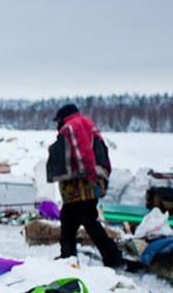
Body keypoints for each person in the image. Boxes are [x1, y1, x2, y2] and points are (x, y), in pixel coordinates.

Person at [50, 103, 122, 268]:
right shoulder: (87, 124)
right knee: (69, 218)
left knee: (87, 220)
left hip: (82, 184)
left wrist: (89, 176)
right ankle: (68, 255)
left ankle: (112, 257)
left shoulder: (72, 126)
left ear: (62, 118)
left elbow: (82, 151)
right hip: (87, 182)